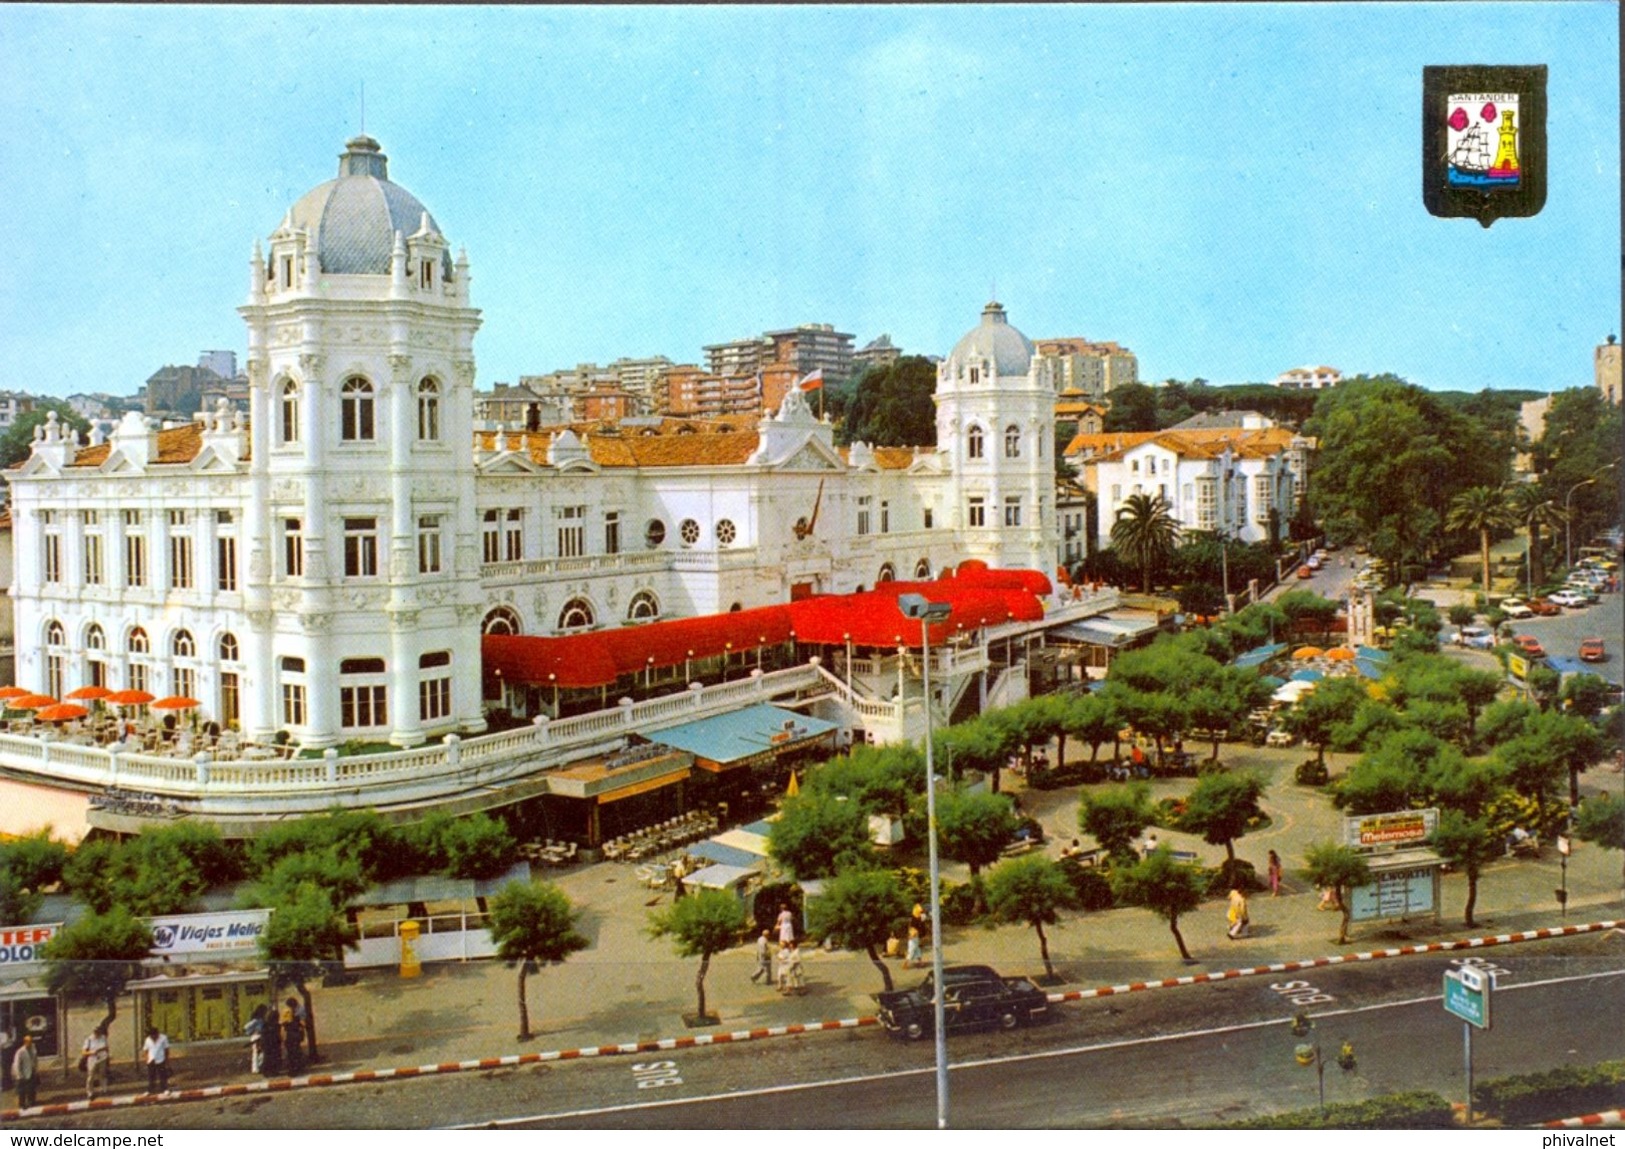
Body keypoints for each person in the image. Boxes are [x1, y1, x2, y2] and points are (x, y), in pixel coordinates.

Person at [82, 1023, 110, 1100]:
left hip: (102, 1058)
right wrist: (92, 1052)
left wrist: (106, 1054)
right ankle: (90, 1092)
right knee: (91, 1076)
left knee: (103, 1074)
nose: (97, 1033)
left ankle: (104, 1089)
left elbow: (107, 1047)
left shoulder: (103, 1038)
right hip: (92, 1059)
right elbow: (84, 1052)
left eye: (98, 1031)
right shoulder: (89, 1040)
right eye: (96, 1031)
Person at [12, 1033, 38, 1109]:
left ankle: (31, 1102)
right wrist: (19, 1075)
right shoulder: (20, 1052)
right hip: (22, 1074)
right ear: (25, 1042)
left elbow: (35, 1060)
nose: (30, 1043)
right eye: (28, 1042)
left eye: (31, 1041)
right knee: (22, 1091)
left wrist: (35, 1069)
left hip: (31, 1072)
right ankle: (22, 1104)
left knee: (32, 1088)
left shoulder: (33, 1049)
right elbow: (17, 1064)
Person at [142, 1026, 171, 1094]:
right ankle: (150, 1090)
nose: (153, 1037)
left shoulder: (163, 1038)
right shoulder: (148, 1040)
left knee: (162, 1075)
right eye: (152, 1036)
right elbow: (146, 1050)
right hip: (151, 1060)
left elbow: (166, 1049)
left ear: (157, 1034)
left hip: (160, 1059)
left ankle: (164, 1089)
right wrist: (147, 1059)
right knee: (151, 1076)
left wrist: (167, 1060)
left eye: (154, 1035)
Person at [281, 999, 306, 1075]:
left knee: (293, 1053)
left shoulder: (299, 1011)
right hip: (294, 1036)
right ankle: (296, 1067)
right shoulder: (294, 1016)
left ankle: (295, 1068)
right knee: (295, 1052)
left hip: (291, 1036)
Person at [244, 1004, 267, 1075]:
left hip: (259, 1036)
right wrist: (252, 1032)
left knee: (258, 1053)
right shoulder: (256, 1020)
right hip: (256, 1036)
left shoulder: (260, 1020)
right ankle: (256, 1068)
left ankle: (257, 1068)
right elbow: (246, 1027)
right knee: (258, 1052)